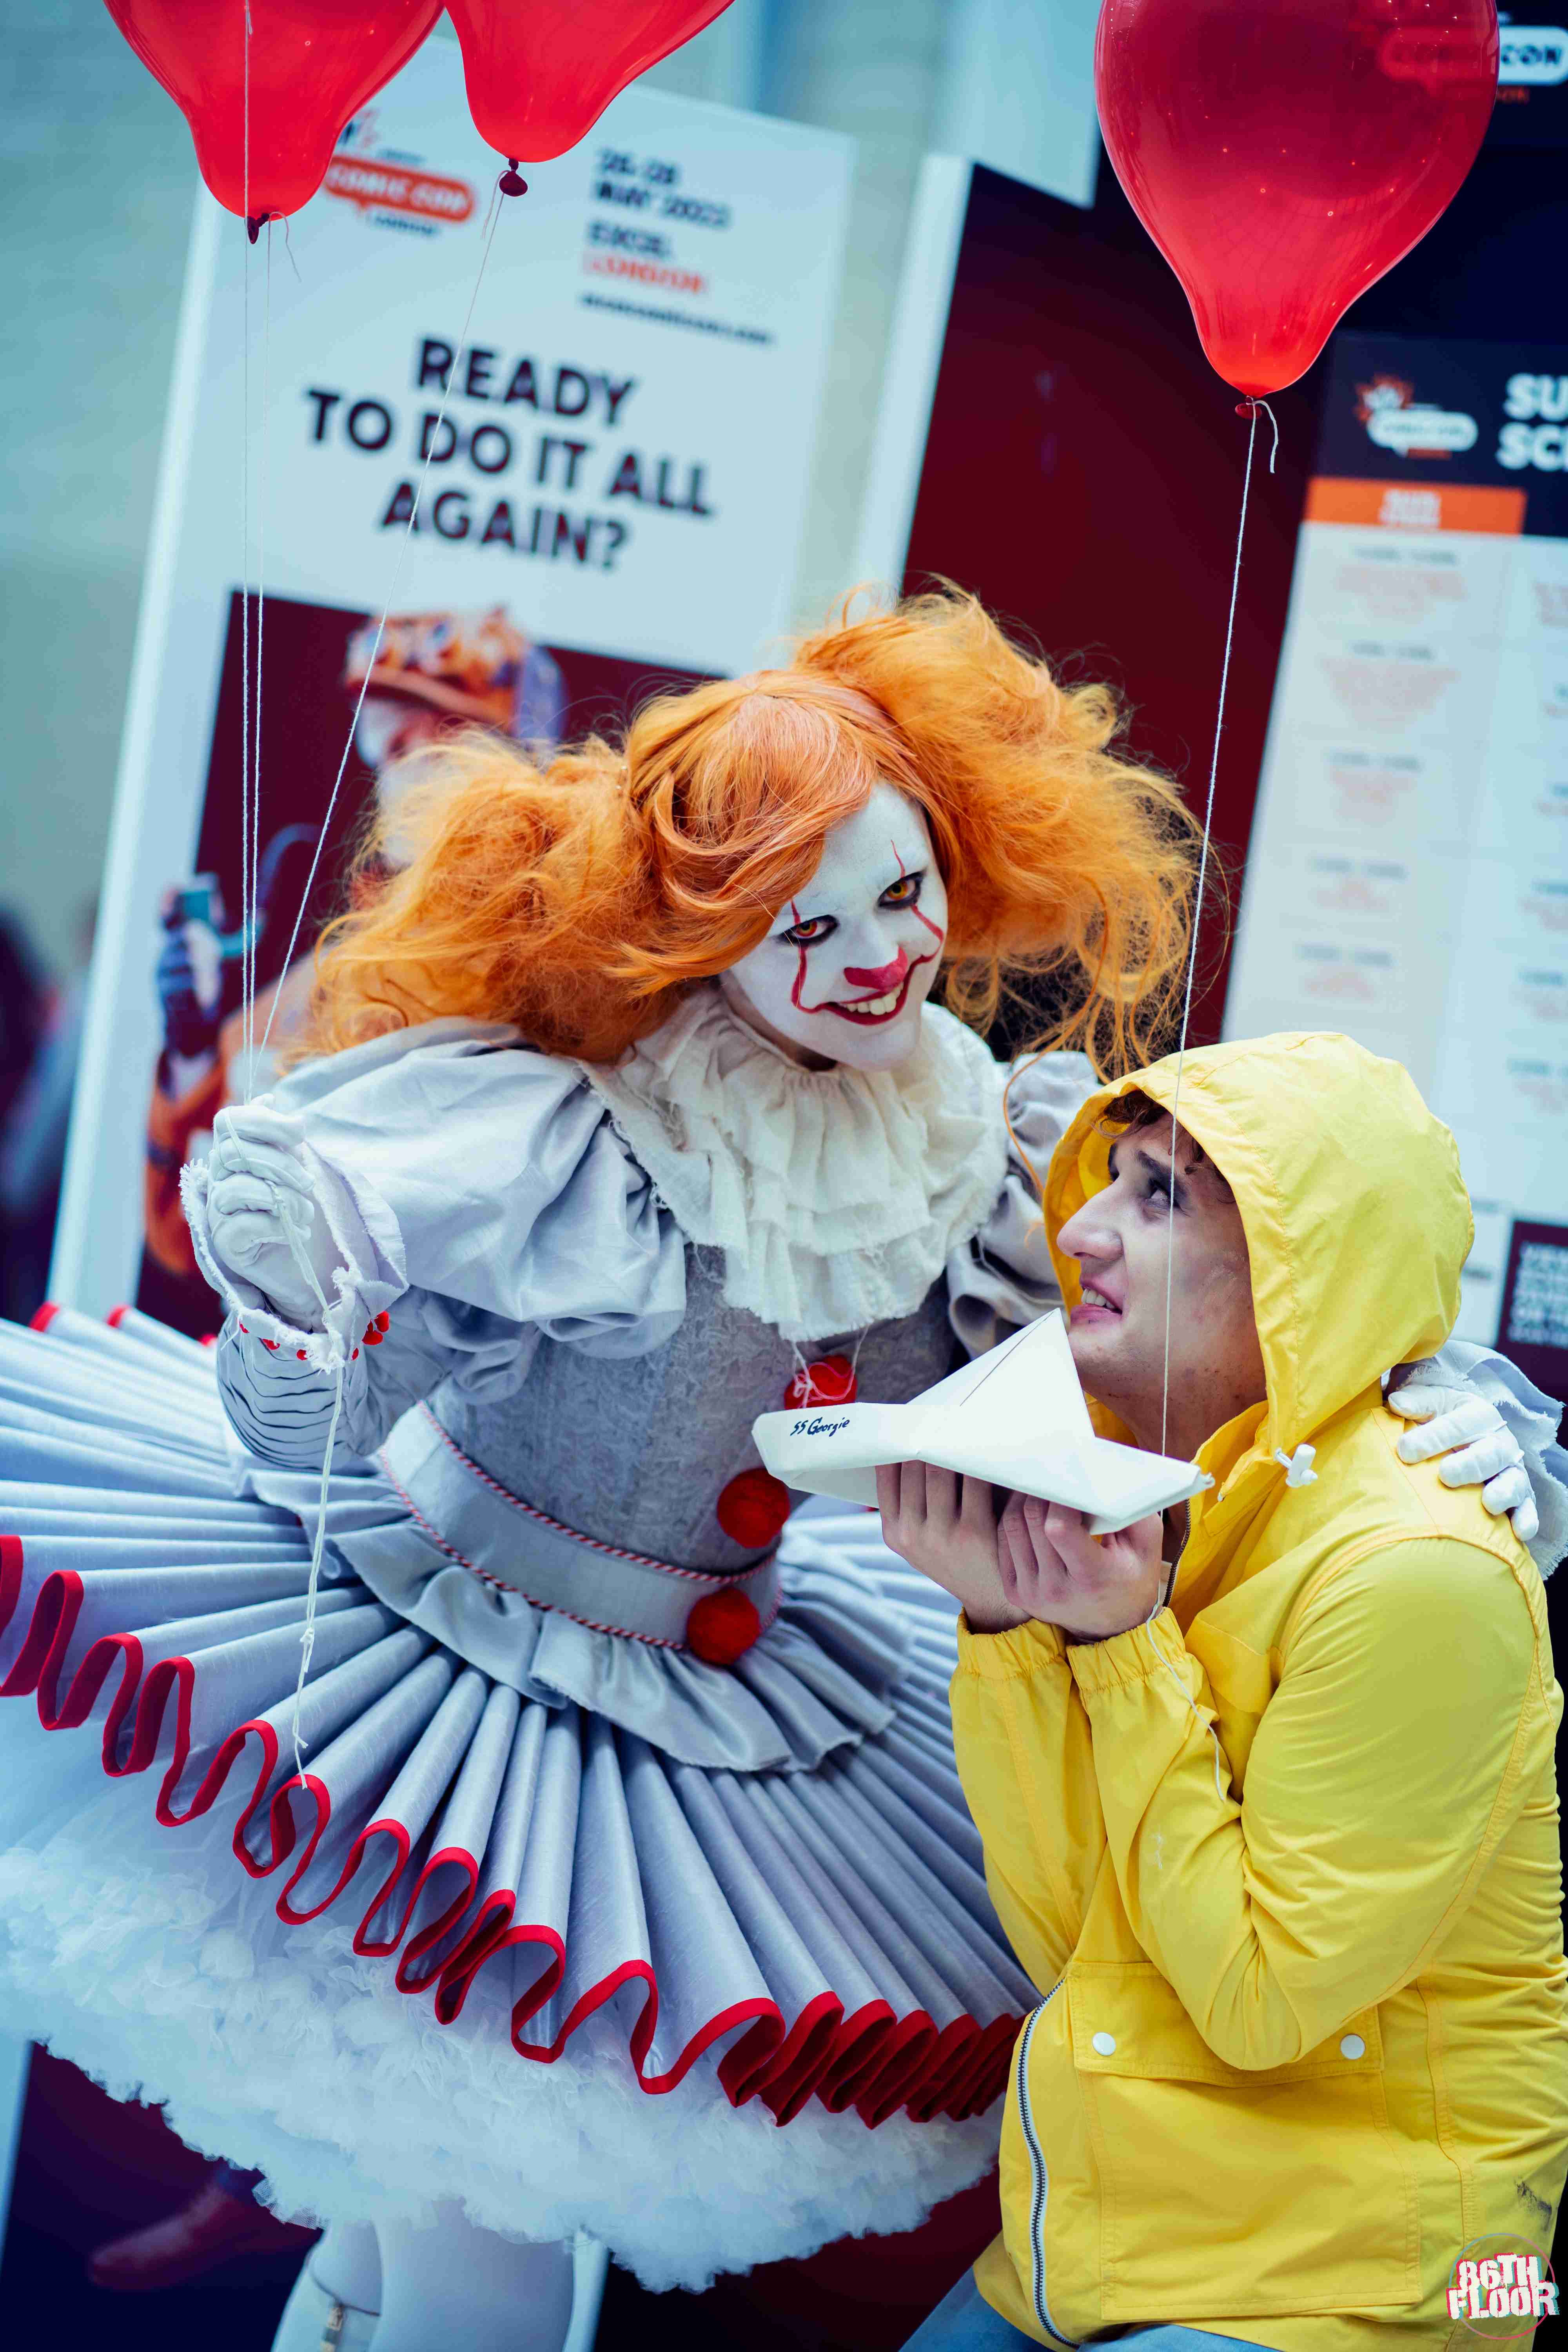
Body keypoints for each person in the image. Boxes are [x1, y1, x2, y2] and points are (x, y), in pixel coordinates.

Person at [0, 596, 1549, 2352]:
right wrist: (295, 1325)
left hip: (712, 1721)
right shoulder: (580, 1128)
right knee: (462, 2219)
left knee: (424, 2220)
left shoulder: (983, 1146)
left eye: (902, 896)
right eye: (798, 925)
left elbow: (1281, 1301)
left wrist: (1464, 1410)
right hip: (444, 1679)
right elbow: (313, 1417)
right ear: (693, 929)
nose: (877, 958)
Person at [877, 1034, 1568, 2350]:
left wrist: (1122, 1646)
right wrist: (1008, 1622)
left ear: (1305, 1270)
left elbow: (1258, 2006)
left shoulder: (1417, 1568)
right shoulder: (1169, 1498)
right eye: (1105, 1181)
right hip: (1122, 2246)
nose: (1076, 1228)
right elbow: (1075, 1938)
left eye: (1160, 1196)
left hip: (1386, 2286)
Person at [143, 606, 563, 1289]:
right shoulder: (324, 983)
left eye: (456, 734)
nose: (419, 762)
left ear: (528, 767)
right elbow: (182, 1238)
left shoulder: (577, 975)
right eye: (395, 740)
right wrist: (193, 1053)